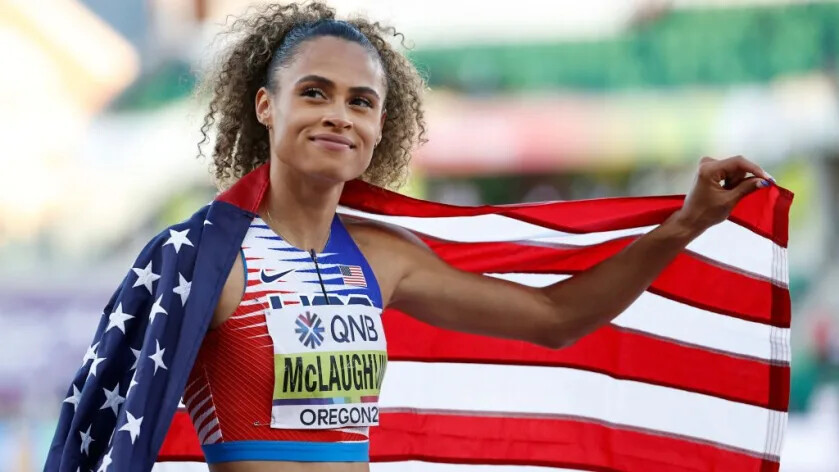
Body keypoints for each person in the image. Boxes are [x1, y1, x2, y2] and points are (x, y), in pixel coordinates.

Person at [46, 2, 776, 472]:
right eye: (313, 92)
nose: (339, 114)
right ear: (265, 106)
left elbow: (556, 319)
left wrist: (685, 224)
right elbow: (106, 422)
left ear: (378, 128)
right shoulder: (202, 256)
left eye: (361, 102)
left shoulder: (383, 258)